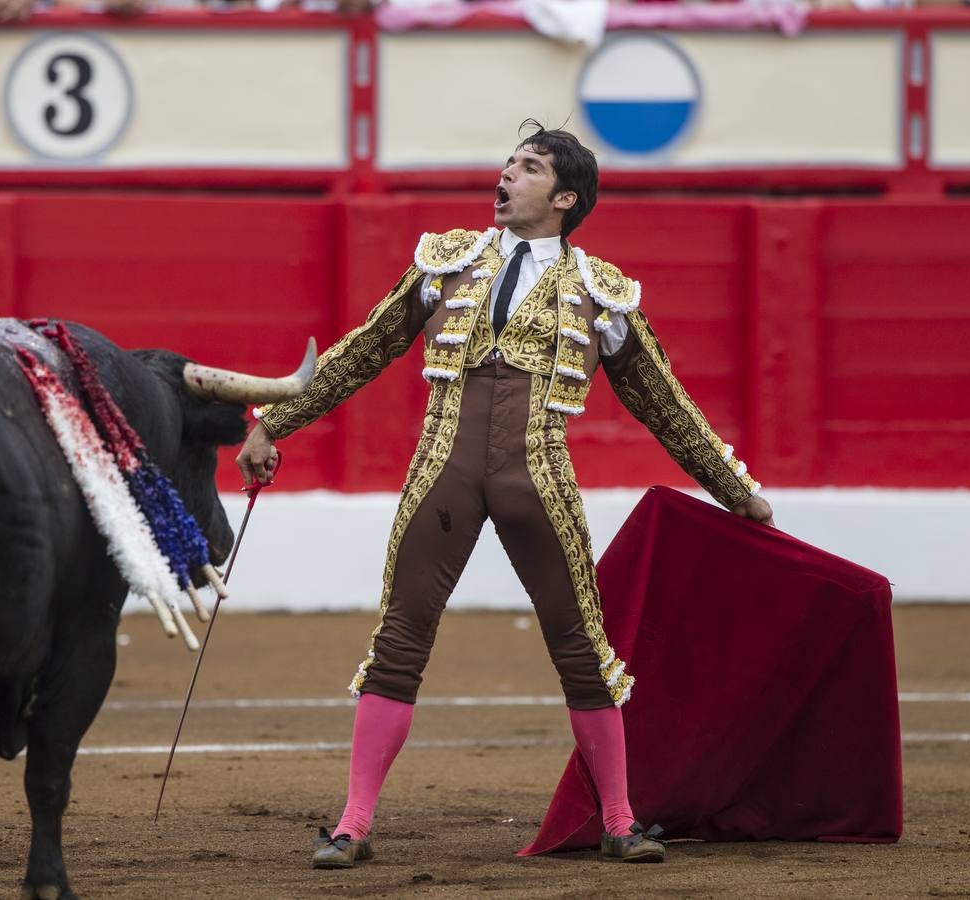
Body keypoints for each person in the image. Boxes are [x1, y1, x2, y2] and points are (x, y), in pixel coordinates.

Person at [236, 119, 774, 869]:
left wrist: (735, 488)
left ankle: (619, 820)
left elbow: (664, 401)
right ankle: (353, 824)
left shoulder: (600, 292)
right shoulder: (444, 261)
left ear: (565, 197)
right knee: (397, 643)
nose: (506, 175)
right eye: (509, 163)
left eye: (526, 167)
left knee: (584, 649)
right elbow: (364, 348)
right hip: (442, 474)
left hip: (540, 480)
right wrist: (274, 421)